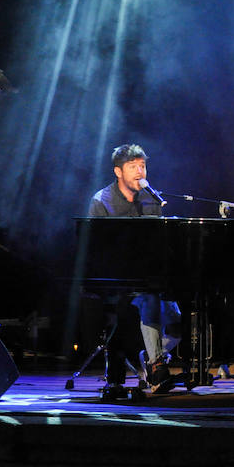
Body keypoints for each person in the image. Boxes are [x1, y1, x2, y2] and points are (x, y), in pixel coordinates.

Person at [88, 143, 181, 393]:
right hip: (117, 278)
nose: (140, 172)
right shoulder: (102, 201)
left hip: (151, 275)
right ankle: (157, 367)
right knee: (149, 300)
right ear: (118, 172)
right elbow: (96, 248)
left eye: (142, 166)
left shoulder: (151, 199)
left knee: (178, 325)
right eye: (133, 167)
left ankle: (149, 357)